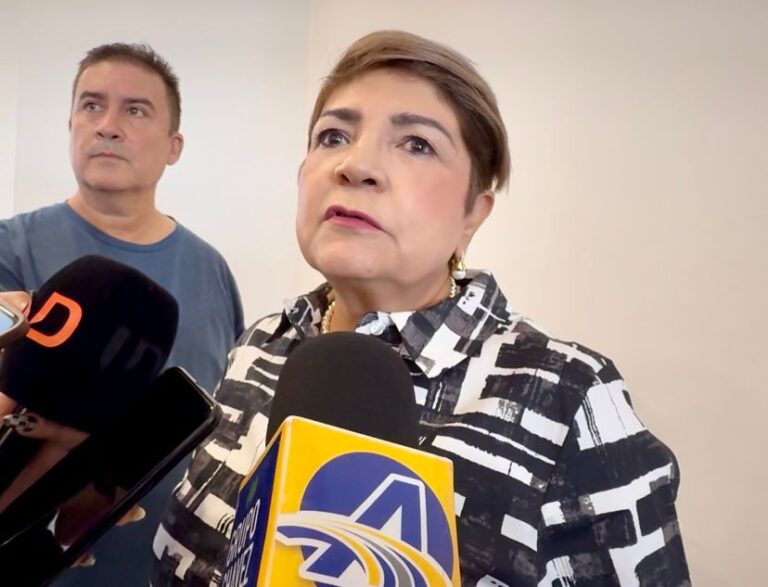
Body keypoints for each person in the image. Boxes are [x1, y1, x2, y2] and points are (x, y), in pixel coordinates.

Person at [153, 30, 690, 586]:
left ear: (473, 211)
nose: (356, 165)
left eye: (416, 144)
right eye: (333, 136)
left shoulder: (569, 394)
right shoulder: (259, 345)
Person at [0, 44, 244, 586]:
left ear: (174, 146)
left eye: (135, 110)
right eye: (91, 106)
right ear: (70, 125)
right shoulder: (9, 248)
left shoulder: (212, 271)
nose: (107, 126)